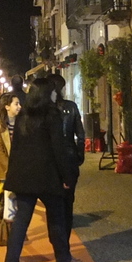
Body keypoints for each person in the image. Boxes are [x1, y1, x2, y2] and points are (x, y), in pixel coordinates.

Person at [2, 78, 80, 262]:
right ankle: (63, 258)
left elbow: (16, 147)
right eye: (52, 91)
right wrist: (66, 176)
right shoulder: (51, 115)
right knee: (56, 218)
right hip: (48, 175)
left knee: (21, 220)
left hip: (24, 175)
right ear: (47, 94)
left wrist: (12, 176)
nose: (55, 94)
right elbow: (58, 148)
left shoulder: (23, 116)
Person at [48, 72, 85, 235]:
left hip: (51, 161)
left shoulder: (45, 109)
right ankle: (65, 235)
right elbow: (81, 134)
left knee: (53, 202)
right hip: (69, 157)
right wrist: (79, 154)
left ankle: (57, 238)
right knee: (68, 200)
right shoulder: (71, 106)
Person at [0, 92, 22, 180]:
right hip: (5, 169)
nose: (19, 107)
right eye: (16, 104)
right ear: (7, 107)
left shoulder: (22, 123)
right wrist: (9, 169)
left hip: (21, 167)